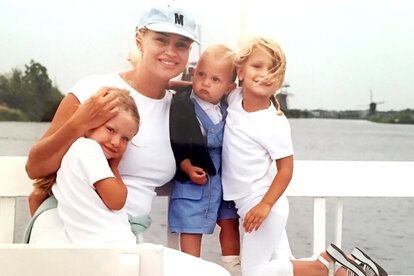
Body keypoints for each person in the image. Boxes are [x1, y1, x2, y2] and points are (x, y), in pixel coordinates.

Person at [24, 2, 230, 275]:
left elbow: (232, 93)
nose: (170, 51)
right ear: (139, 39)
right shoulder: (95, 91)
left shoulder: (180, 107)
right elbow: (35, 167)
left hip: (123, 237)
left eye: (181, 44)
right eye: (161, 39)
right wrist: (81, 121)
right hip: (66, 224)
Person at [221, 37, 387, 276]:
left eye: (273, 70)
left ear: (279, 81)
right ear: (241, 71)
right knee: (286, 264)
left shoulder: (273, 122)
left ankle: (324, 262)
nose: (265, 74)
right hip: (248, 205)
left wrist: (265, 205)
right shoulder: (235, 98)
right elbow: (207, 87)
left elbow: (286, 169)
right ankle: (348, 265)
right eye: (257, 66)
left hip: (262, 206)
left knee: (254, 272)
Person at [29, 89, 139, 245]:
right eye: (110, 129)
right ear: (91, 125)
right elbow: (116, 201)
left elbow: (34, 198)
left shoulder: (72, 152)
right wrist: (114, 166)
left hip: (85, 246)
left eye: (125, 139)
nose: (116, 142)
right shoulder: (89, 150)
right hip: (107, 245)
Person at [168, 45, 241, 270]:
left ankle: (233, 267)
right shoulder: (182, 105)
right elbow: (176, 141)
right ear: (193, 72)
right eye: (201, 75)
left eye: (215, 80)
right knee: (190, 225)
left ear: (229, 88)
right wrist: (188, 167)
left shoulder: (231, 108)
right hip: (195, 177)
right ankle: (191, 268)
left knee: (229, 221)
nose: (205, 83)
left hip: (225, 180)